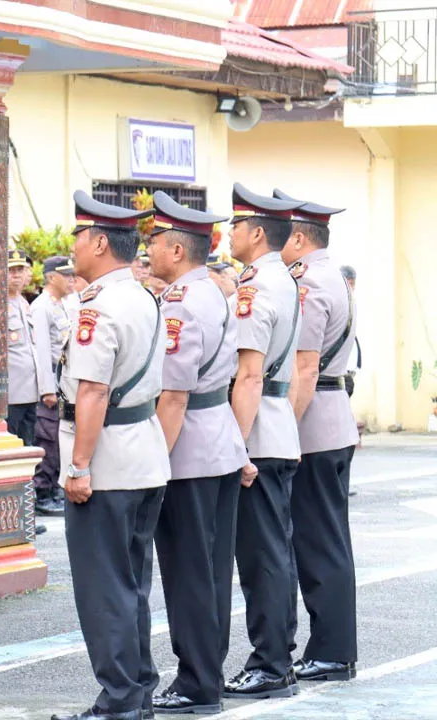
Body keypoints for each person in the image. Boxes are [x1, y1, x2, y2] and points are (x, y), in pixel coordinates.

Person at [51, 191, 169, 720]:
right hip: (143, 457)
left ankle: (119, 699)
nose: (72, 247)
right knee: (132, 584)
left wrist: (78, 466)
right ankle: (138, 687)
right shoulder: (144, 296)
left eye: (78, 238)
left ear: (100, 242)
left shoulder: (96, 306)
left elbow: (93, 393)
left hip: (108, 465)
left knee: (105, 590)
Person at [144, 193, 248, 715]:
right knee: (210, 571)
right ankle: (208, 670)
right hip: (220, 444)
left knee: (188, 572)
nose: (149, 249)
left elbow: (175, 394)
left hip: (190, 451)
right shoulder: (209, 291)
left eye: (156, 242)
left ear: (177, 249)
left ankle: (198, 681)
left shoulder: (182, 302)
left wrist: (155, 464)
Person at [222, 183, 305, 699]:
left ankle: (271, 662)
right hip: (278, 427)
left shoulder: (255, 289)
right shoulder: (282, 280)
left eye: (234, 225)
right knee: (275, 551)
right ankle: (279, 658)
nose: (228, 234)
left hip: (258, 436)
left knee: (263, 557)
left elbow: (249, 377)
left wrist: (237, 445)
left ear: (256, 233)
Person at [274, 189, 360, 683]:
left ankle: (330, 651)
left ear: (300, 237)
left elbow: (304, 370)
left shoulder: (307, 284)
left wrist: (284, 429)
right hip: (333, 418)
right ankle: (333, 648)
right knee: (329, 539)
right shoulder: (334, 276)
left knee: (318, 542)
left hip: (313, 425)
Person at [30, 256, 75, 517]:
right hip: (52, 386)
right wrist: (46, 388)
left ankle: (56, 487)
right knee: (47, 437)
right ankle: (43, 490)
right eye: (65, 275)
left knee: (61, 437)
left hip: (66, 384)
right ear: (51, 278)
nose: (71, 280)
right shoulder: (42, 306)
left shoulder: (64, 305)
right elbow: (42, 350)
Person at [6, 249, 54, 447]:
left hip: (30, 391)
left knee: (28, 446)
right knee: (11, 447)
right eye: (11, 270)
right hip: (11, 392)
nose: (16, 274)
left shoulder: (24, 303)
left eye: (20, 269)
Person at [340, 265, 361, 397]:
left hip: (347, 374)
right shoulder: (337, 302)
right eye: (349, 283)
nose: (351, 288)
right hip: (338, 376)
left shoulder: (351, 303)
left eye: (353, 284)